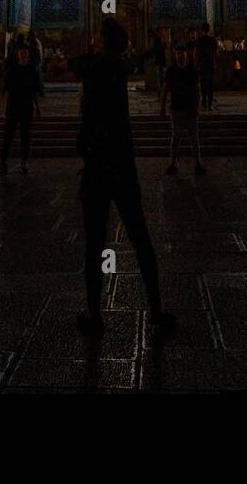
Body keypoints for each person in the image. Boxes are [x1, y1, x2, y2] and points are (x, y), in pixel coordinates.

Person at [73, 18, 175, 337]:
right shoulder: (118, 67)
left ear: (103, 42)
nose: (92, 39)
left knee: (94, 243)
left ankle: (94, 313)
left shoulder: (97, 67)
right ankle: (156, 308)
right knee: (140, 236)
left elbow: (74, 64)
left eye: (97, 36)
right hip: (123, 164)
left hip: (99, 167)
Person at [0, 41, 41, 174]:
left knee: (25, 135)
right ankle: (3, 162)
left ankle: (23, 162)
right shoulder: (12, 70)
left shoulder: (32, 70)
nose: (24, 54)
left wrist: (37, 107)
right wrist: (6, 108)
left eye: (25, 52)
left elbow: (35, 91)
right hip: (13, 106)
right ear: (17, 54)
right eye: (21, 52)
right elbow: (7, 91)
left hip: (27, 106)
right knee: (8, 136)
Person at [162, 43, 206, 175]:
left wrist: (197, 107)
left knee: (194, 139)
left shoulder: (192, 70)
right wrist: (163, 107)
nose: (180, 56)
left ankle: (198, 164)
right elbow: (165, 90)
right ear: (175, 55)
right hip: (177, 109)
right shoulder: (171, 71)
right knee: (176, 138)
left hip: (190, 108)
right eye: (177, 53)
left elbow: (197, 90)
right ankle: (172, 163)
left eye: (182, 53)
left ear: (187, 54)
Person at [195, 22, 217, 111]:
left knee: (203, 83)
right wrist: (214, 63)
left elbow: (196, 53)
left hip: (202, 64)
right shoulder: (212, 40)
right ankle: (210, 103)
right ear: (209, 29)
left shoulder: (199, 40)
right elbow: (215, 53)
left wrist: (197, 63)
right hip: (209, 64)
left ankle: (204, 100)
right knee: (210, 84)